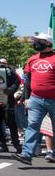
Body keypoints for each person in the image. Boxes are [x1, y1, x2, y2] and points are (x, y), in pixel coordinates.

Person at [13, 33, 55, 165]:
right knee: (32, 126)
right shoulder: (32, 59)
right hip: (36, 99)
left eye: (39, 41)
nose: (36, 43)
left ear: (48, 43)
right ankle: (26, 154)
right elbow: (27, 80)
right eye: (36, 41)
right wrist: (26, 97)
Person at [0, 54, 22, 154]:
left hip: (6, 101)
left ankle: (16, 145)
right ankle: (2, 145)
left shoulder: (8, 71)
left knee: (11, 123)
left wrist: (10, 89)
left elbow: (17, 81)